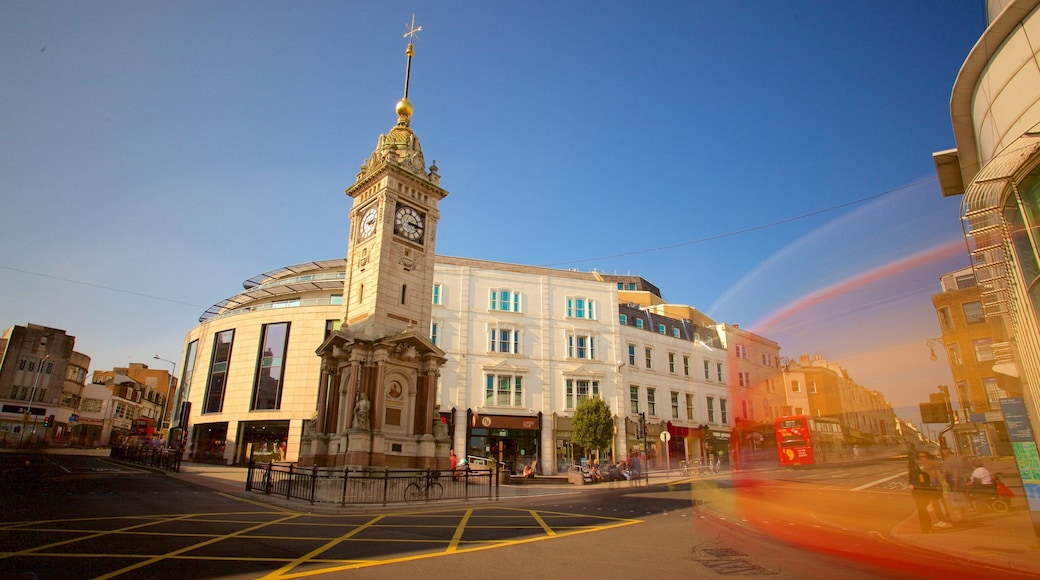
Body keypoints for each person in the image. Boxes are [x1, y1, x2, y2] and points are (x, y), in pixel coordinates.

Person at [909, 450, 950, 532]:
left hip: (934, 486)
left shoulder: (930, 464)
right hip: (928, 487)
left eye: (923, 456)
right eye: (920, 457)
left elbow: (937, 474)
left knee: (939, 504)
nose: (921, 458)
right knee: (934, 505)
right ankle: (941, 520)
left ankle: (946, 520)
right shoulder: (921, 466)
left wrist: (940, 483)